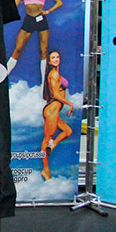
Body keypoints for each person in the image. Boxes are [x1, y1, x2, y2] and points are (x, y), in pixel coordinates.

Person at [7, 0, 62, 80]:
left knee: (43, 51)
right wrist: (6, 12)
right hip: (29, 19)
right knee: (18, 49)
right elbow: (16, 2)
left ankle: (44, 82)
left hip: (41, 20)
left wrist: (48, 11)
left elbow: (59, 2)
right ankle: (4, 76)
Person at [41, 50, 73, 181]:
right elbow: (55, 94)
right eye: (53, 57)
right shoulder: (53, 74)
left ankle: (52, 145)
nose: (56, 59)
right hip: (52, 110)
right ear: (49, 61)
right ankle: (45, 170)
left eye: (57, 57)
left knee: (68, 131)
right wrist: (69, 103)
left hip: (55, 110)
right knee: (47, 138)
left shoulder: (56, 73)